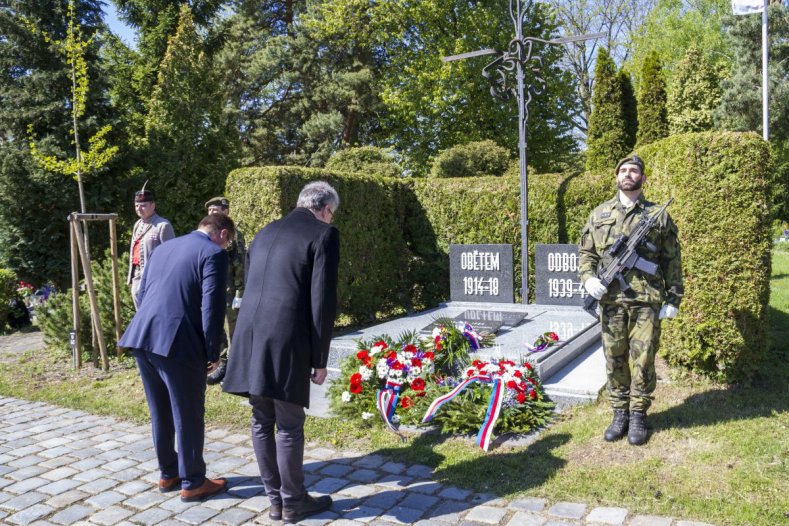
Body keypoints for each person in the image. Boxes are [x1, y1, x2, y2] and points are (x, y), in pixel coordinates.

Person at [222, 181, 340, 523]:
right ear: (324, 208)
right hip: (286, 338)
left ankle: (275, 501)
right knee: (289, 424)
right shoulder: (323, 234)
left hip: (249, 335)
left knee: (261, 419)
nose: (330, 219)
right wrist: (320, 358)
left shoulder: (264, 232)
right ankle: (293, 501)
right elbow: (322, 301)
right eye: (331, 213)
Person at [119, 214, 235, 502]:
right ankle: (193, 481)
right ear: (221, 233)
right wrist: (212, 353)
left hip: (143, 337)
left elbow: (144, 293)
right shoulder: (213, 254)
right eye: (228, 241)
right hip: (177, 344)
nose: (227, 246)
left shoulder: (163, 249)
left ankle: (168, 472)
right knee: (188, 414)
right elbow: (212, 306)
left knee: (160, 410)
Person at [579, 155, 683, 446]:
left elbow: (672, 259)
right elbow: (586, 254)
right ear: (616, 178)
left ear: (643, 178)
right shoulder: (598, 214)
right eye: (623, 170)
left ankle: (638, 414)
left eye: (634, 170)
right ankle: (619, 413)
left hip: (646, 300)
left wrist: (674, 297)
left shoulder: (658, 215)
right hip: (611, 299)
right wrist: (589, 279)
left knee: (644, 358)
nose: (628, 174)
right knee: (614, 357)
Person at [204, 197, 246, 385]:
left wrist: (239, 292)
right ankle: (219, 365)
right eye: (210, 210)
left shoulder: (233, 234)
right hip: (213, 287)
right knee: (216, 328)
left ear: (226, 211)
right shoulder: (206, 233)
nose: (212, 213)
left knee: (231, 330)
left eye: (216, 210)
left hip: (229, 288)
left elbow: (239, 263)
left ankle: (234, 369)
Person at [127, 185, 175, 309]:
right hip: (137, 274)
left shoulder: (163, 225)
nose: (139, 208)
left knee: (152, 311)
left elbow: (171, 256)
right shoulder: (137, 224)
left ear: (153, 205)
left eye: (143, 205)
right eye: (136, 205)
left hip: (154, 278)